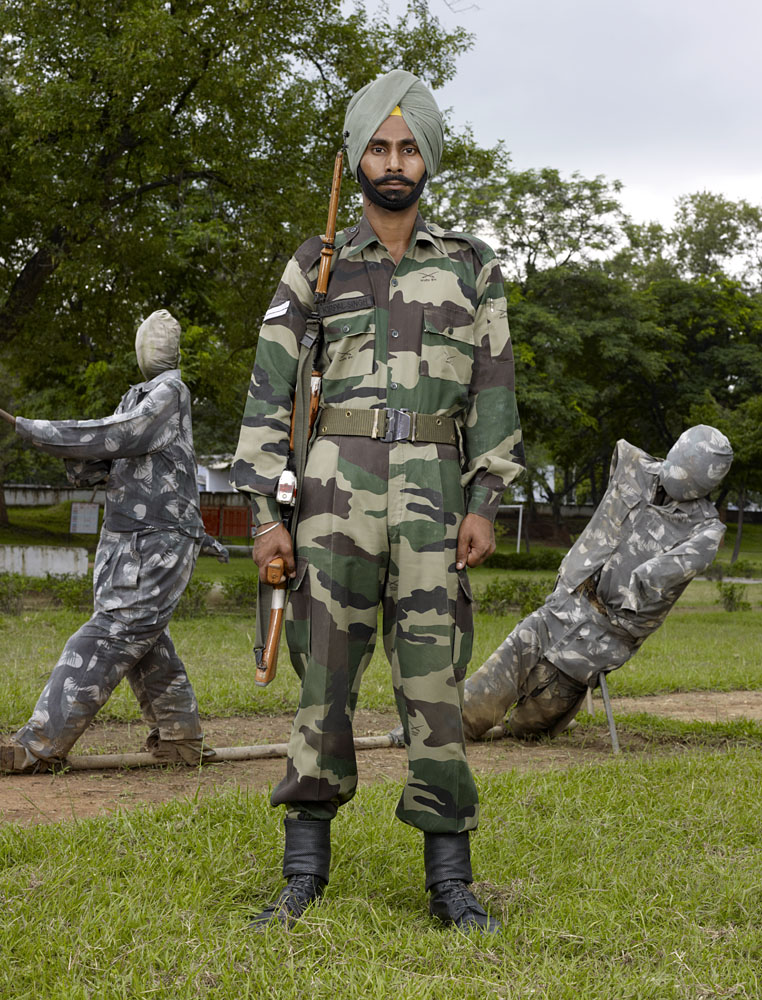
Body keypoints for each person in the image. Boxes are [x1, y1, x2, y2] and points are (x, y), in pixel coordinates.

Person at [231, 69, 524, 932]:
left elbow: (495, 396)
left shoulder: (472, 267)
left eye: (408, 147)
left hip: (435, 493)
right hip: (330, 495)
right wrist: (265, 517)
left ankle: (450, 881)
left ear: (427, 158)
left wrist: (484, 501)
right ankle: (302, 871)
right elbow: (268, 395)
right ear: (355, 158)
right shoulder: (316, 265)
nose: (393, 162)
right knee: (323, 675)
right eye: (378, 146)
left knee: (433, 679)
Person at [0, 310, 219, 773]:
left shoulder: (169, 393)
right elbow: (99, 461)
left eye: (159, 341)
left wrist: (30, 428)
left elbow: (117, 436)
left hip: (157, 539)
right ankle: (181, 740)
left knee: (112, 632)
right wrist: (78, 452)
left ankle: (39, 745)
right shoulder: (136, 397)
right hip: (128, 537)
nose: (152, 347)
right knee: (143, 636)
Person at [461, 425, 733, 741]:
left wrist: (642, 577)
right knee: (513, 653)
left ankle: (515, 727)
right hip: (566, 602)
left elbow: (668, 571)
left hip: (604, 636)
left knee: (533, 720)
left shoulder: (705, 530)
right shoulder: (634, 464)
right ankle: (452, 726)